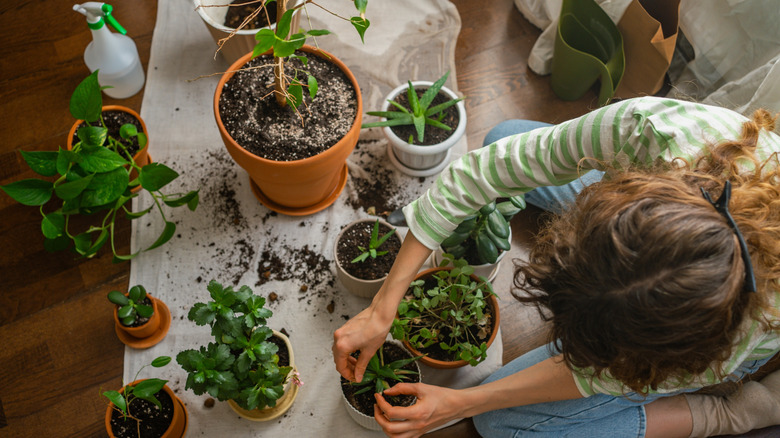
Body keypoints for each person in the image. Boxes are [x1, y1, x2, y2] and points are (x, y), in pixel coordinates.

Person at [332, 96, 780, 438]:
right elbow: (482, 171)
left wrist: (464, 402)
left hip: (730, 343)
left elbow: (598, 378)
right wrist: (384, 304)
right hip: (659, 185)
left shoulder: (727, 335)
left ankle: (729, 413)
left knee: (497, 425)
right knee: (502, 138)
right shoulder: (652, 130)